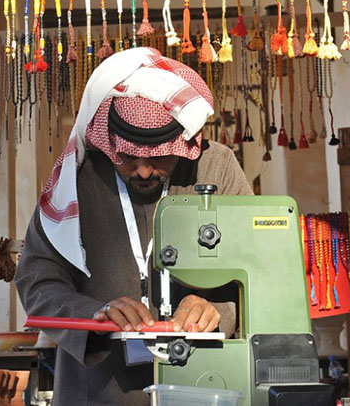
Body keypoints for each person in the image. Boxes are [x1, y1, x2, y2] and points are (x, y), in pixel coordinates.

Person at [15, 47, 252, 405]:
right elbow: (37, 282)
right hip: (96, 392)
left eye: (157, 156)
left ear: (184, 143)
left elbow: (258, 270)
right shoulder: (77, 180)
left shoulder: (217, 168)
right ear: (108, 142)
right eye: (127, 156)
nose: (142, 170)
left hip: (203, 387)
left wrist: (218, 310)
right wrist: (92, 315)